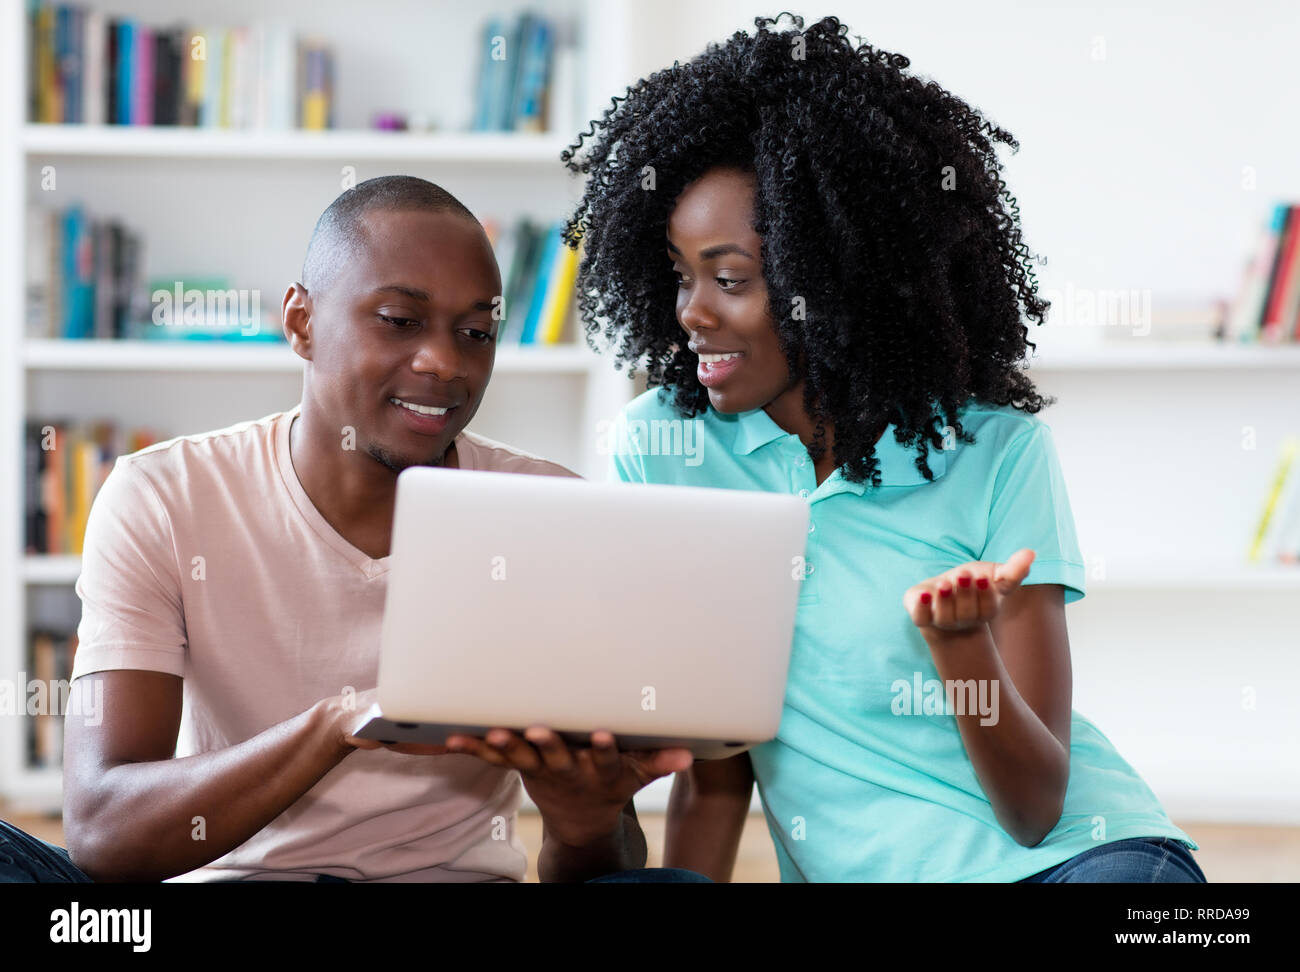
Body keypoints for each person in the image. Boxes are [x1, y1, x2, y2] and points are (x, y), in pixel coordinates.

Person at [562, 14, 1207, 883]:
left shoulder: (1000, 454)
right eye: (681, 275)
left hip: (1073, 863)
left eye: (731, 280)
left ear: (835, 282)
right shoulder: (665, 449)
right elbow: (717, 770)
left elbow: (1036, 807)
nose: (692, 313)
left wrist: (961, 647)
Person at [0, 175, 701, 884]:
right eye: (399, 320)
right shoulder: (164, 496)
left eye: (476, 333)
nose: (445, 362)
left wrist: (584, 823)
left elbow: (602, 867)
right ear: (301, 322)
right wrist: (338, 725)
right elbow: (103, 832)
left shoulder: (550, 513)